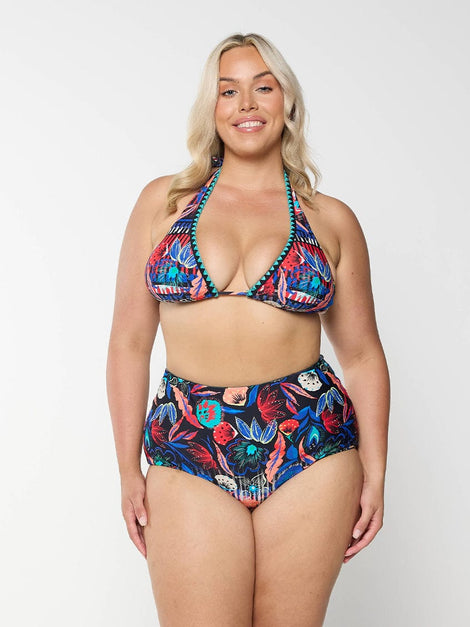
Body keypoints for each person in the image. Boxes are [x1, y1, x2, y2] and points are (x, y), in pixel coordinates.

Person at [106, 32, 390, 627]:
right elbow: (129, 343)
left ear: (287, 101)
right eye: (228, 90)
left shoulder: (330, 218)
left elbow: (363, 354)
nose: (247, 104)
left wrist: (376, 471)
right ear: (211, 107)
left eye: (264, 87)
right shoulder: (163, 204)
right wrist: (128, 467)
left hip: (310, 443)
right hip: (188, 439)